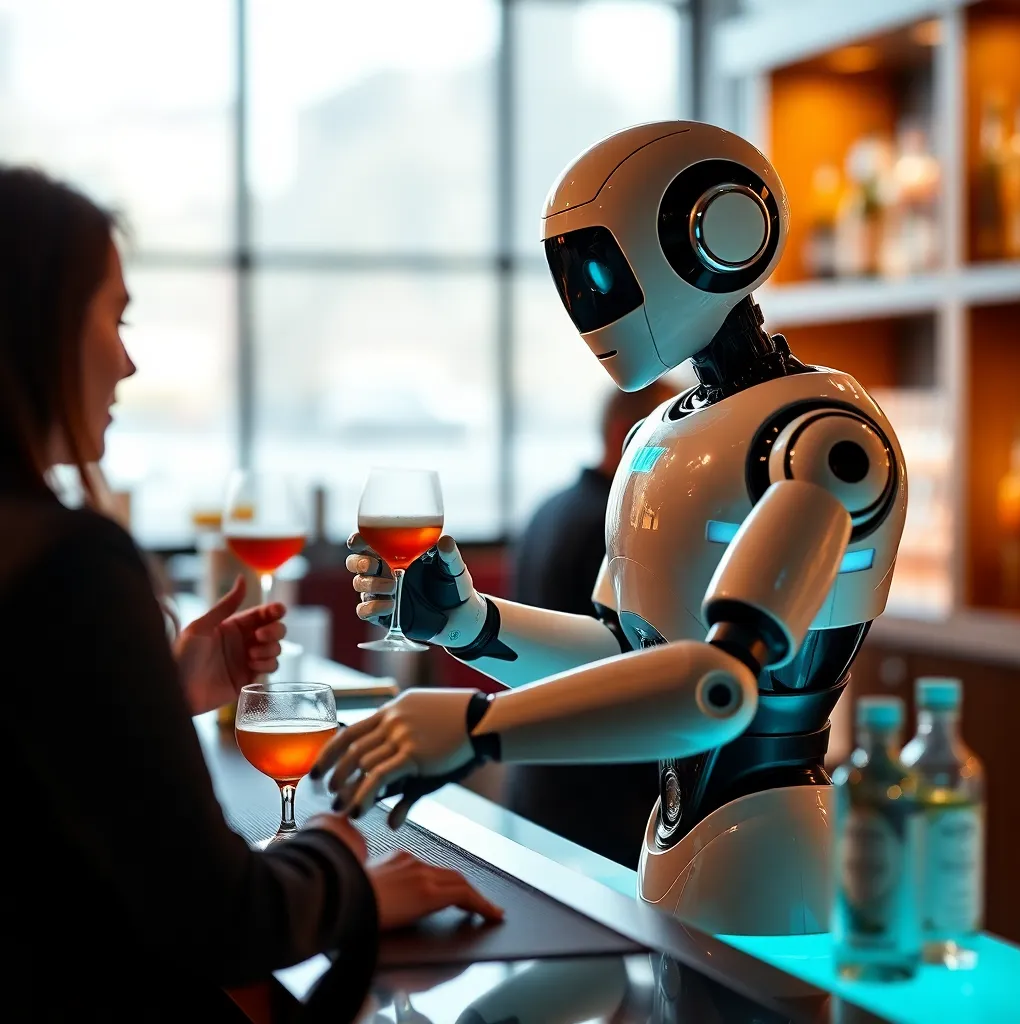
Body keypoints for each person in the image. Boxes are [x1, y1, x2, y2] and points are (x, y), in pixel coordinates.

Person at [0, 166, 502, 1022]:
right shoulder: (73, 563)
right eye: (114, 318)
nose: (127, 362)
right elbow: (220, 918)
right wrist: (345, 857)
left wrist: (161, 694)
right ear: (40, 324)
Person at [503, 381, 677, 868]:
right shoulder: (621, 528)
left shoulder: (549, 508)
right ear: (630, 435)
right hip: (599, 799)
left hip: (536, 778)